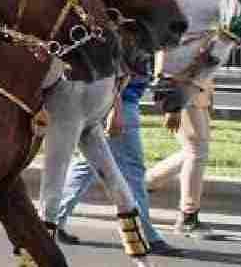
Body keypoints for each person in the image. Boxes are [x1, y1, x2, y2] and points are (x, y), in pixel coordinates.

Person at [51, 44, 178, 255]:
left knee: (87, 165)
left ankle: (53, 221)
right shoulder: (129, 23)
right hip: (118, 103)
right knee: (132, 170)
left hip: (112, 102)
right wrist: (115, 108)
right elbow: (112, 65)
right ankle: (147, 236)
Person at [146, 46, 221, 239]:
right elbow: (166, 66)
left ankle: (146, 183)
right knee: (197, 152)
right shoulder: (178, 25)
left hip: (197, 93)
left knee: (194, 152)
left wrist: (209, 95)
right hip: (182, 94)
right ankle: (187, 218)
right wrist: (173, 106)